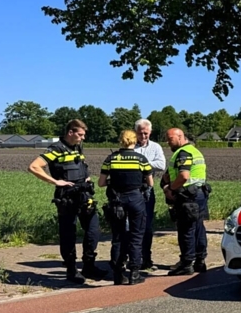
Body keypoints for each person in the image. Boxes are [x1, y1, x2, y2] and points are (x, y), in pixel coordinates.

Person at [28, 119, 104, 283]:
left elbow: (80, 166)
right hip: (67, 197)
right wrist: (55, 182)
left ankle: (89, 266)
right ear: (71, 132)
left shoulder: (77, 147)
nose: (83, 138)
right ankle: (71, 270)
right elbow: (34, 167)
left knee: (94, 230)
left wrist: (87, 177)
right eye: (80, 135)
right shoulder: (56, 149)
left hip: (84, 195)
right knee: (68, 234)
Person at [99, 130, 154, 285]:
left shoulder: (111, 159)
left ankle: (118, 273)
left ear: (120, 141)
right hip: (136, 199)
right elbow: (150, 183)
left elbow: (101, 183)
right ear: (134, 141)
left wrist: (113, 182)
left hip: (117, 201)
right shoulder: (141, 159)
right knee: (136, 237)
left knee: (118, 237)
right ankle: (135, 273)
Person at [162, 128, 210, 275]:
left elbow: (183, 176)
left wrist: (170, 188)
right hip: (199, 193)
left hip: (188, 196)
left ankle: (187, 263)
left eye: (170, 139)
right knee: (198, 227)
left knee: (186, 229)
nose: (168, 142)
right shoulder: (194, 151)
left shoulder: (184, 153)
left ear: (180, 137)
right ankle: (200, 261)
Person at [133, 118, 166, 271]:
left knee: (146, 225)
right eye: (140, 133)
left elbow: (161, 164)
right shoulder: (130, 145)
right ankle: (133, 257)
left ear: (150, 132)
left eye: (146, 133)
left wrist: (141, 162)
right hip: (132, 189)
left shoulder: (156, 147)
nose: (143, 136)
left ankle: (147, 258)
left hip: (147, 190)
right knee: (131, 226)